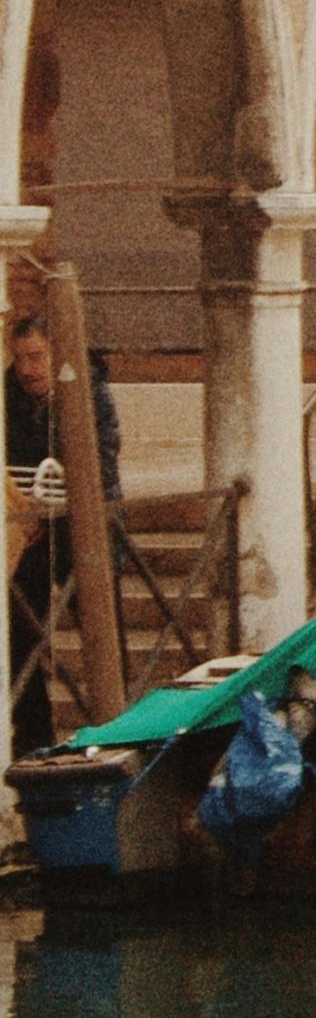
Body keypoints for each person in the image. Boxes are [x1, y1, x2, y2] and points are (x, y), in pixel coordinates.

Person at [6, 309, 122, 755]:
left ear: (57, 353)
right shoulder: (7, 394)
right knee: (21, 633)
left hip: (83, 527)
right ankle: (31, 736)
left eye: (36, 356)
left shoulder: (90, 392)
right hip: (29, 531)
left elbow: (101, 460)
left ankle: (112, 725)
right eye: (20, 358)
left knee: (100, 626)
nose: (28, 369)